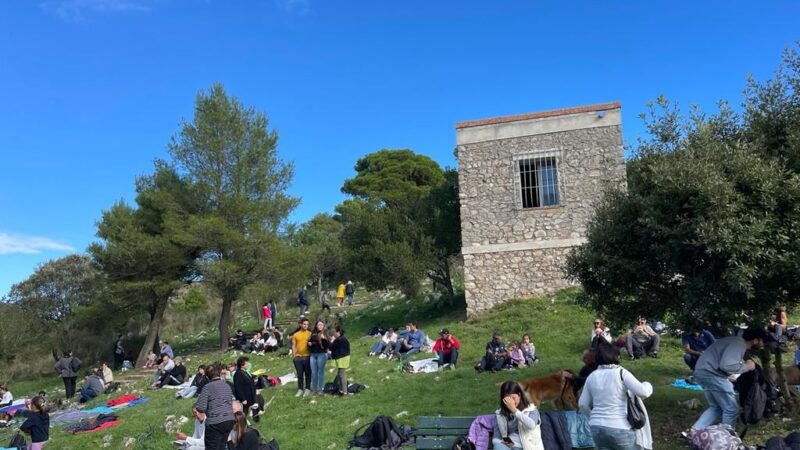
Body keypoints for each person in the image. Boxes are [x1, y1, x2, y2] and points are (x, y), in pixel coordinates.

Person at [579, 341, 653, 450]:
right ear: (616, 355)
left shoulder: (592, 376)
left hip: (596, 428)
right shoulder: (621, 373)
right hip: (620, 426)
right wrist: (648, 385)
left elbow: (582, 404)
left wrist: (594, 417)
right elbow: (643, 392)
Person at [690, 327, 766, 431]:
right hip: (711, 374)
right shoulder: (738, 344)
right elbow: (726, 365)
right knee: (731, 409)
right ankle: (727, 438)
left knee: (716, 407)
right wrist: (746, 367)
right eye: (763, 341)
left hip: (703, 372)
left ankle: (695, 431)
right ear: (756, 340)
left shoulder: (735, 342)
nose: (763, 344)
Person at [493, 380, 544, 450]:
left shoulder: (531, 410)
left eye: (513, 398)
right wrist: (503, 442)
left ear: (519, 395)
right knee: (498, 447)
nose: (511, 402)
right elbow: (496, 438)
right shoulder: (500, 414)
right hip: (511, 446)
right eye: (508, 399)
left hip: (528, 447)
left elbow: (531, 425)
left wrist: (514, 410)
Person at [194, 365, 235, 450]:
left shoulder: (207, 387)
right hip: (229, 419)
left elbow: (201, 407)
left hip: (215, 421)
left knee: (211, 447)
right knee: (221, 446)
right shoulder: (227, 385)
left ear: (208, 376)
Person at [232, 357, 259, 423]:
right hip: (245, 398)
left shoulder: (245, 372)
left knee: (253, 409)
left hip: (251, 396)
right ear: (242, 364)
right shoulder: (238, 374)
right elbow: (238, 388)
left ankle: (255, 421)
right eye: (246, 363)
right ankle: (241, 425)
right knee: (243, 413)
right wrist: (243, 399)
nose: (248, 364)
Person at [291, 317, 312, 397]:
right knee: (300, 374)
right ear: (301, 325)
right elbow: (293, 346)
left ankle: (307, 388)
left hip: (307, 357)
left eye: (307, 324)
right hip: (298, 358)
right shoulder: (295, 335)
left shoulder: (310, 334)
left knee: (308, 374)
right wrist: (294, 356)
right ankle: (300, 389)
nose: (306, 326)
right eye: (304, 324)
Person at [309, 320, 330, 395]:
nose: (320, 326)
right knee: (314, 372)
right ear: (316, 326)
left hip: (322, 354)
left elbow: (328, 345)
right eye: (319, 325)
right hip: (313, 354)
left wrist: (324, 338)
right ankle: (314, 389)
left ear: (323, 326)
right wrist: (310, 343)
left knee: (320, 372)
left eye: (322, 325)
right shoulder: (313, 334)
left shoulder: (325, 333)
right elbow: (310, 342)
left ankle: (320, 389)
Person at [329, 325, 351, 395]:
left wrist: (332, 340)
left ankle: (344, 391)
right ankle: (341, 390)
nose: (333, 333)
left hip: (342, 358)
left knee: (342, 375)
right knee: (340, 374)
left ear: (338, 332)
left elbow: (331, 347)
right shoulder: (343, 338)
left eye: (334, 332)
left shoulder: (339, 339)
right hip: (344, 357)